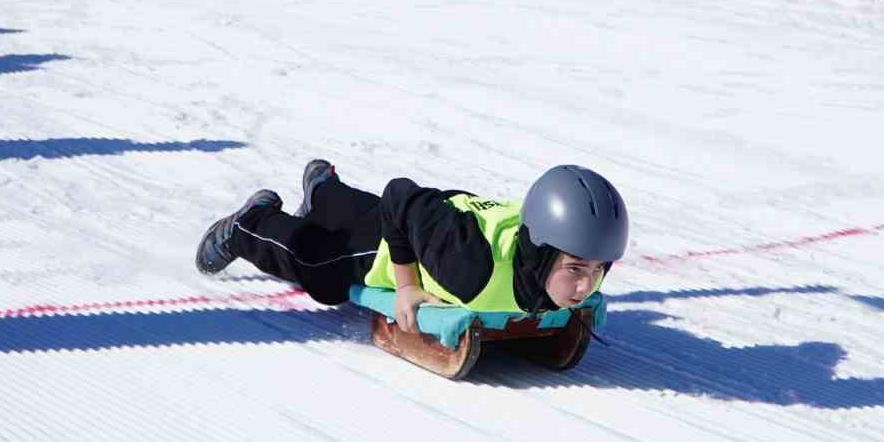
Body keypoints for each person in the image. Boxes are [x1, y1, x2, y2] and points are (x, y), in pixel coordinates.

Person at [194, 161, 630, 335]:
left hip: (437, 222)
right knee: (321, 268)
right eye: (575, 269)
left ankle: (325, 193)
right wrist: (405, 285)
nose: (586, 286)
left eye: (598, 270)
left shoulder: (560, 256)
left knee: (364, 214)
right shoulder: (470, 269)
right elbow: (399, 196)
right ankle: (250, 225)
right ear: (540, 251)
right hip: (389, 245)